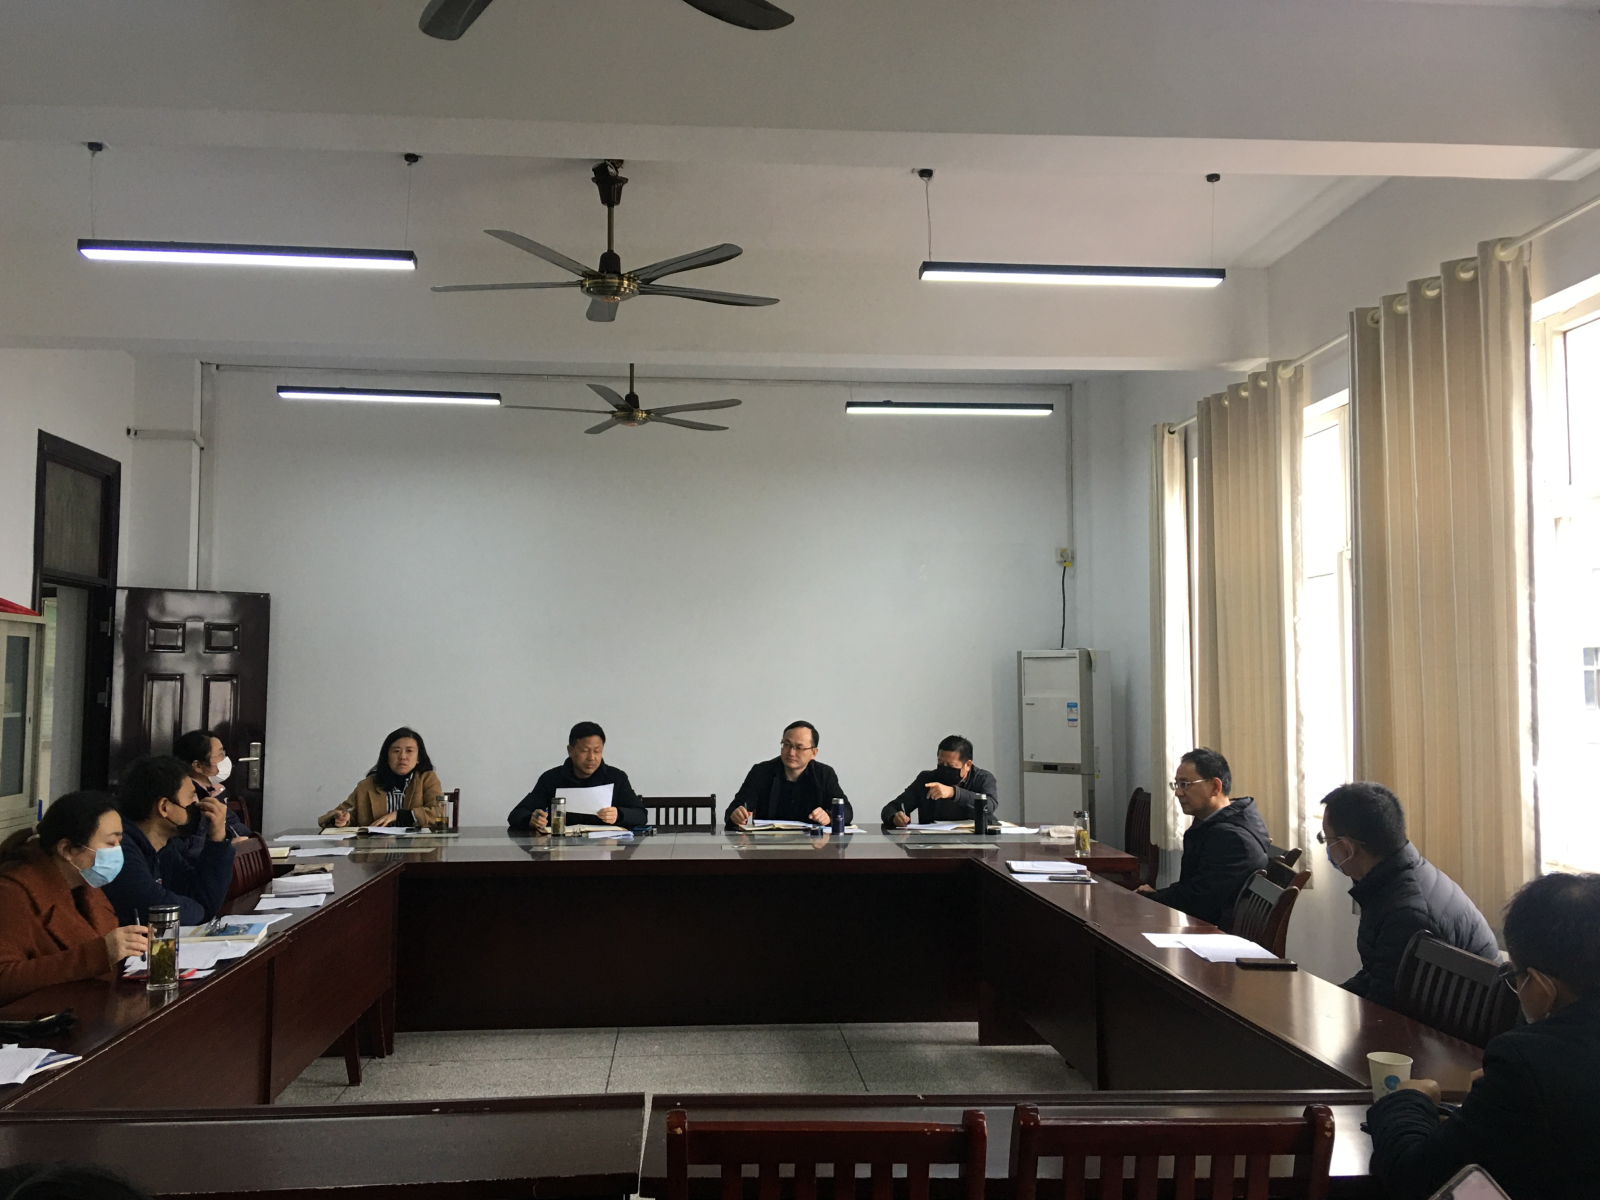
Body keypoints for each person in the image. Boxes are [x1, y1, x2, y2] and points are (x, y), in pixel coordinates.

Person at [1366, 872, 1600, 1200]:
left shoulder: (1527, 1064)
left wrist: (1407, 1101)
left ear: (1540, 984)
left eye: (1515, 976)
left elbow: (1416, 1179)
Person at [1320, 781, 1498, 1008]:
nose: (1326, 848)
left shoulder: (1407, 914)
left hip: (1445, 1027)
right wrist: (1328, 1000)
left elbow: (1383, 1009)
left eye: (1326, 840)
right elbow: (1376, 974)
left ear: (1348, 848)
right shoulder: (1394, 880)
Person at [0, 791, 149, 1005]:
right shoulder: (12, 893)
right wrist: (98, 954)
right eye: (110, 843)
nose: (118, 852)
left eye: (119, 842)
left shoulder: (85, 884)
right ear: (66, 849)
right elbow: (4, 980)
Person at [1136, 747, 1269, 929]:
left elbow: (1198, 901)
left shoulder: (1231, 838)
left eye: (1185, 784)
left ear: (1215, 787)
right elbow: (1195, 887)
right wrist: (1156, 895)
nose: (1178, 793)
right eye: (1176, 784)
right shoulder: (1217, 821)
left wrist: (1154, 898)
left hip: (1215, 934)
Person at [103, 755, 236, 927]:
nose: (197, 805)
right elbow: (157, 907)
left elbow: (203, 898)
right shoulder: (119, 850)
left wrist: (217, 838)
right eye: (191, 798)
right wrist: (201, 910)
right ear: (164, 807)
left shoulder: (164, 848)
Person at [507, 722, 648, 832]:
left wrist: (619, 815)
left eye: (597, 751)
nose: (591, 758)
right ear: (570, 750)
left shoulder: (616, 777)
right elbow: (516, 814)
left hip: (605, 848)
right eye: (585, 751)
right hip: (561, 848)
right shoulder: (551, 778)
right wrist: (532, 819)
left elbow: (641, 815)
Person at [726, 721, 852, 829]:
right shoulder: (761, 772)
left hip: (812, 845)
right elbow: (733, 810)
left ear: (814, 752)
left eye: (799, 748)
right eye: (786, 745)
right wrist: (736, 816)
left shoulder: (824, 774)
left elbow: (846, 811)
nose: (791, 753)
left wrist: (829, 816)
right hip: (768, 845)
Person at [319, 727, 446, 829]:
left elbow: (439, 812)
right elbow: (342, 814)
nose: (402, 757)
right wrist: (341, 820)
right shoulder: (367, 785)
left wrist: (398, 815)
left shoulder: (427, 779)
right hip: (376, 848)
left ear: (418, 757)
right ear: (387, 756)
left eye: (409, 751)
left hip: (417, 848)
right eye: (396, 751)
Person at [882, 735, 998, 828]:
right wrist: (895, 817)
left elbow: (989, 805)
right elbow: (891, 808)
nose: (945, 769)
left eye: (951, 766)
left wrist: (954, 793)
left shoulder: (983, 778)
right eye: (941, 763)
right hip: (933, 842)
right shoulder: (927, 779)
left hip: (974, 842)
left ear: (967, 765)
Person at [170, 729, 253, 858]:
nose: (225, 759)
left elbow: (238, 827)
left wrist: (240, 840)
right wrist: (227, 844)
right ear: (198, 766)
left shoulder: (214, 792)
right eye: (220, 755)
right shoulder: (188, 800)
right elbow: (192, 850)